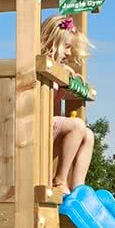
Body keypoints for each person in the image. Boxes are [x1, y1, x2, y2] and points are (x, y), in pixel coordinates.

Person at [40, 14, 94, 194]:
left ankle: (78, 187)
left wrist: (71, 79)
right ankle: (59, 180)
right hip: (37, 124)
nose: (69, 53)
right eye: (66, 47)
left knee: (88, 135)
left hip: (49, 125)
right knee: (77, 125)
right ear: (50, 40)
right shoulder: (40, 65)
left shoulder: (59, 70)